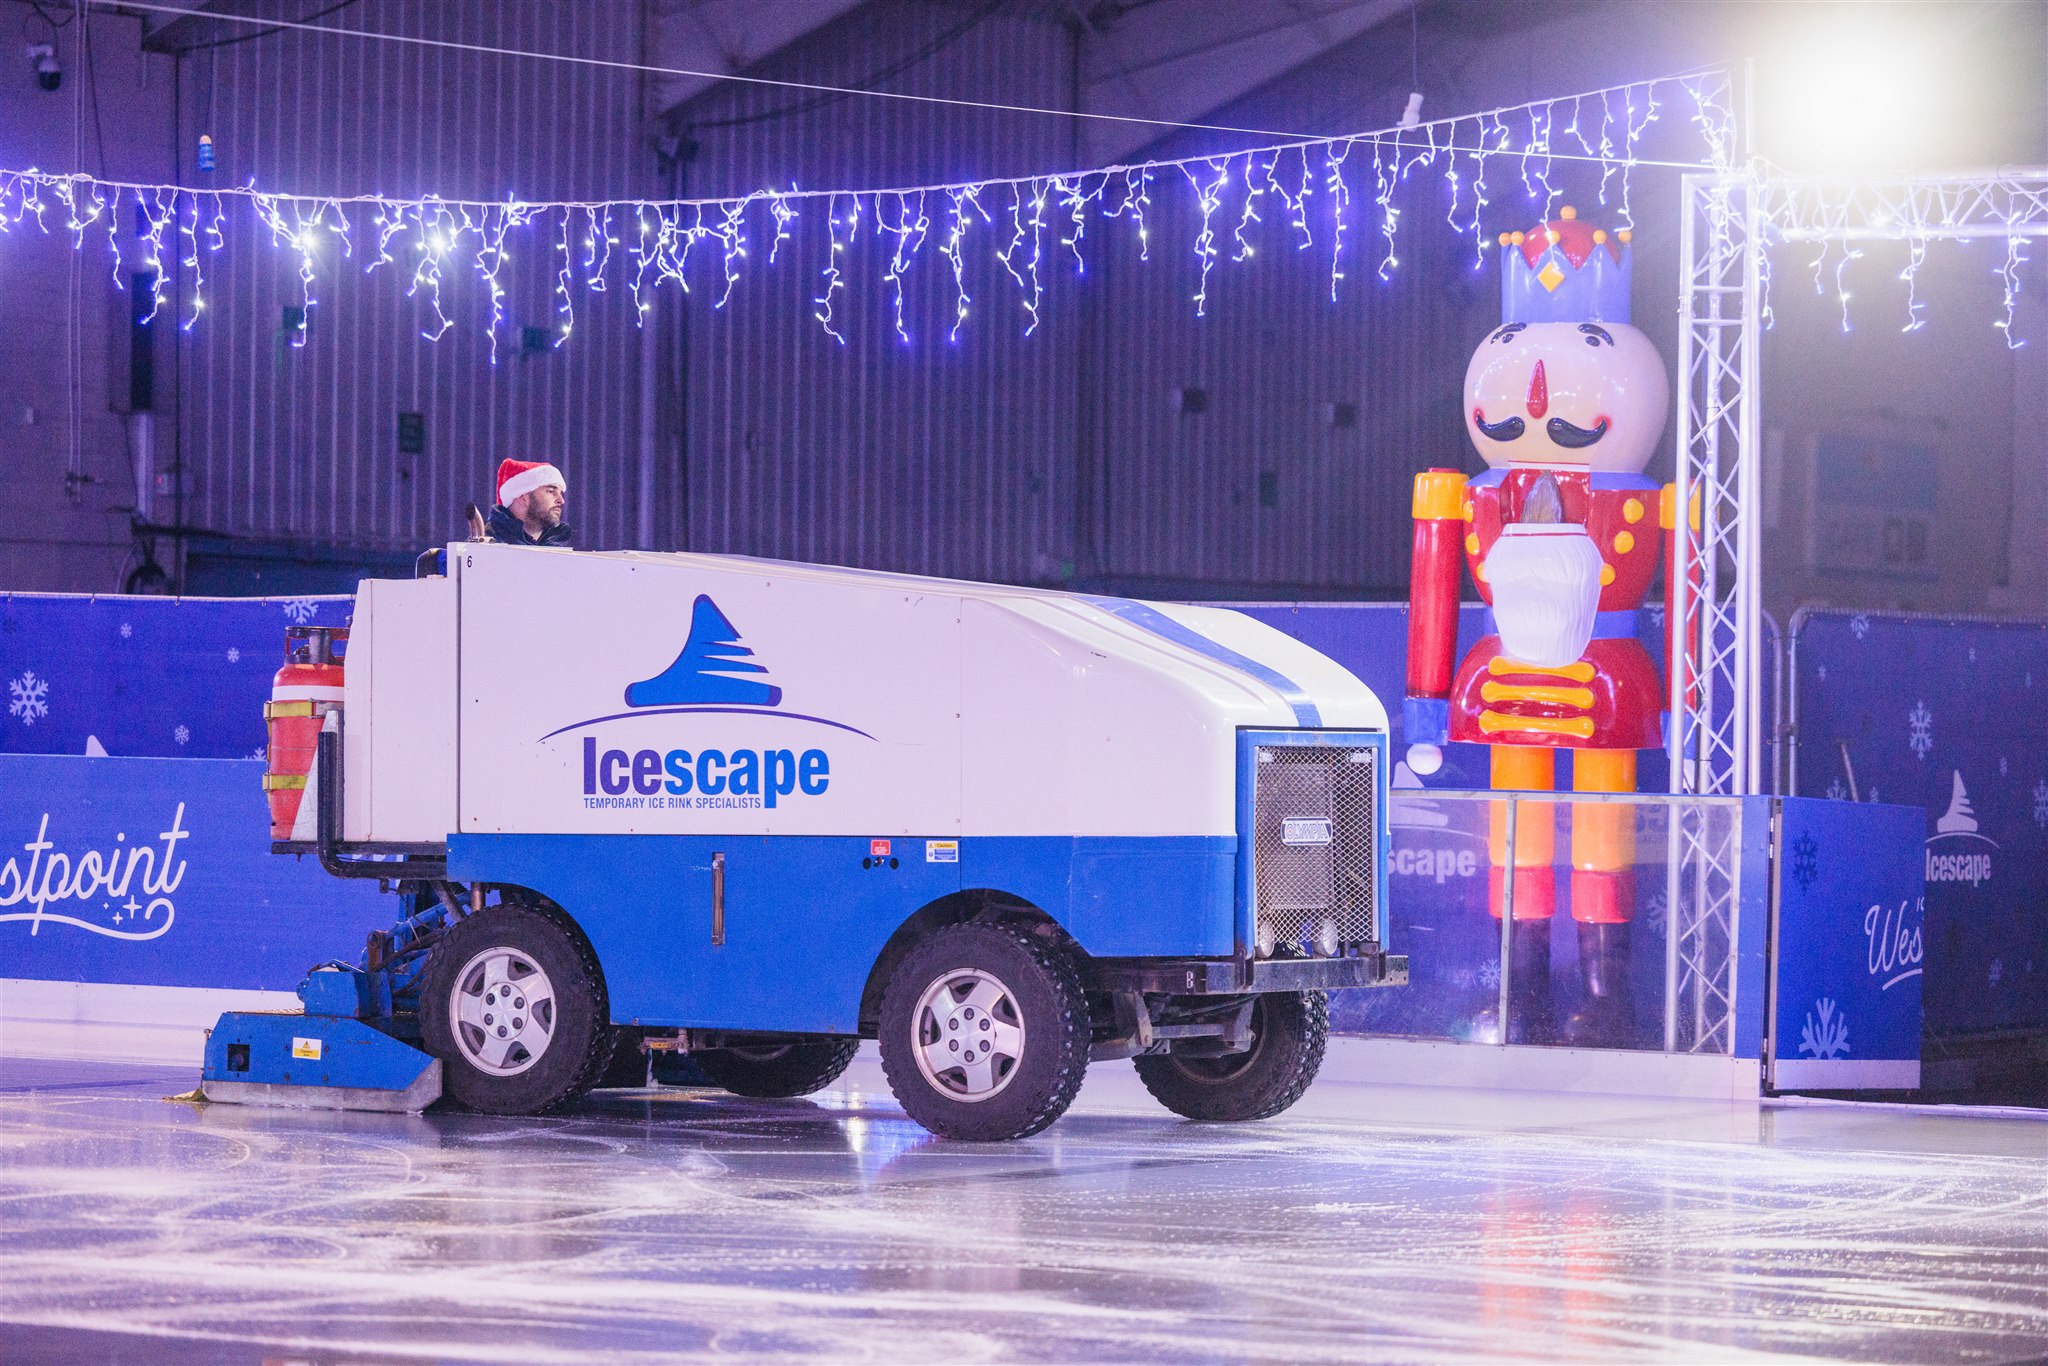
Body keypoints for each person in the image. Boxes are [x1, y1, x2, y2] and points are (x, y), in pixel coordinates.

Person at [482, 459, 572, 546]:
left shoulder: (558, 548)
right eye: (550, 491)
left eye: (560, 493)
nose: (561, 500)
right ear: (522, 498)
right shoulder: (484, 548)